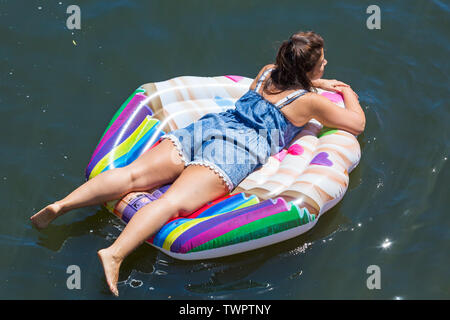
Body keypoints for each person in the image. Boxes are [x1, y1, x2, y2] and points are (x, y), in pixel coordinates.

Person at [30, 31, 365, 296]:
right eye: (320, 63)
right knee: (174, 202)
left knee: (132, 175)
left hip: (209, 127)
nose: (325, 65)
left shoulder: (267, 73)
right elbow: (356, 124)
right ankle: (115, 254)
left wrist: (315, 82)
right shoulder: (309, 103)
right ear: (308, 70)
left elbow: (284, 85)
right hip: (235, 150)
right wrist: (347, 91)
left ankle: (61, 205)